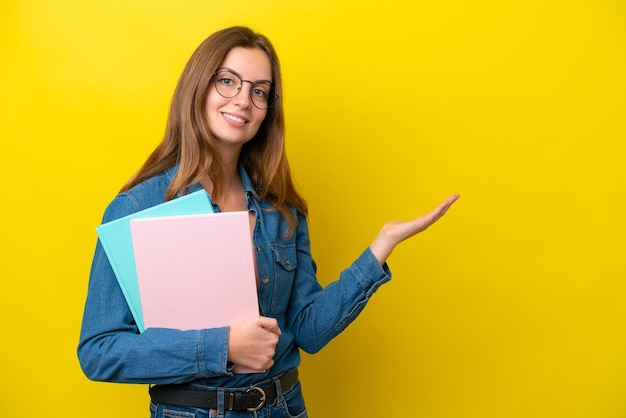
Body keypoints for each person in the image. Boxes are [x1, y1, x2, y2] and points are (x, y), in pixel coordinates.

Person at [77, 26, 459, 418]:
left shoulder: (282, 210)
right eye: (227, 81)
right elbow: (99, 351)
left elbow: (307, 331)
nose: (243, 100)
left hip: (283, 407)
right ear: (198, 88)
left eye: (259, 91)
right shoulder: (137, 208)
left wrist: (378, 250)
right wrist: (222, 346)